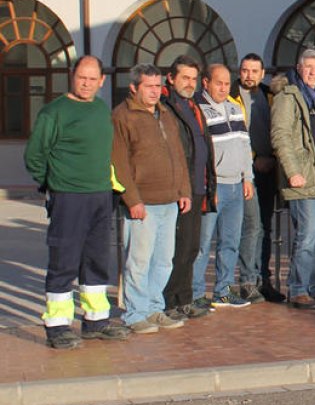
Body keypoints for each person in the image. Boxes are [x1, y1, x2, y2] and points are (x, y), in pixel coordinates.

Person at [25, 56, 131, 348]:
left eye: (91, 78)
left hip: (100, 195)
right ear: (72, 76)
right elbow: (34, 156)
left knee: (96, 260)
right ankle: (58, 326)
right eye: (81, 77)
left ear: (102, 80)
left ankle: (96, 320)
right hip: (68, 197)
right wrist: (52, 185)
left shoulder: (99, 109)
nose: (86, 83)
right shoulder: (54, 112)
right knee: (64, 260)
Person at [111, 63, 191, 333]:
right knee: (139, 261)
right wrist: (132, 199)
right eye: (149, 86)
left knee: (163, 260)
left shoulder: (165, 112)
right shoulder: (122, 117)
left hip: (169, 200)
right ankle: (135, 314)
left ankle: (155, 308)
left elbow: (178, 154)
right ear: (134, 87)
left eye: (158, 86)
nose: (155, 91)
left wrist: (184, 189)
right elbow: (119, 162)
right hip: (142, 203)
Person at [271, 49, 315, 309]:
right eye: (308, 66)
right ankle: (298, 288)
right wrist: (292, 171)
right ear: (299, 68)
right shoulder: (288, 96)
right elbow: (281, 135)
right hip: (302, 172)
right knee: (307, 232)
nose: (313, 71)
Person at [193, 63, 254, 308]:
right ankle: (197, 294)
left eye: (227, 83)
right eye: (218, 82)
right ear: (205, 82)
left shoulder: (234, 108)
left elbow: (244, 144)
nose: (223, 88)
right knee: (202, 244)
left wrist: (247, 177)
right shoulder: (199, 109)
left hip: (237, 186)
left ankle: (223, 292)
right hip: (214, 188)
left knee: (230, 243)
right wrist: (211, 185)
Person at [161, 56, 216, 321]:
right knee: (177, 248)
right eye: (184, 77)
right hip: (177, 189)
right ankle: (169, 301)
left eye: (193, 79)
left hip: (197, 186)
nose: (190, 83)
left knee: (192, 247)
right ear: (171, 78)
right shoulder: (166, 107)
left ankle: (184, 299)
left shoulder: (193, 106)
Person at [234, 53, 281, 303]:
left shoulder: (270, 96)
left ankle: (264, 278)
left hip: (269, 169)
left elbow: (279, 129)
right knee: (249, 228)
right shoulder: (230, 96)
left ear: (262, 73)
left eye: (254, 71)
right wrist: (254, 159)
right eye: (245, 70)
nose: (249, 75)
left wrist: (272, 157)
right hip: (243, 172)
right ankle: (246, 280)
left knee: (264, 227)